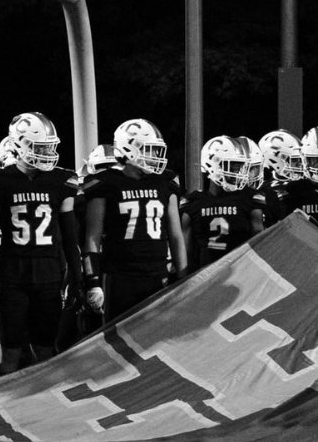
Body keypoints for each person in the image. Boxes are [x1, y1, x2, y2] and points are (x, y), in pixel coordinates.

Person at [0, 112, 81, 373]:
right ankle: (1, 396)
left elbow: (70, 238)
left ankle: (44, 398)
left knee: (45, 350)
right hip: (12, 275)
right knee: (9, 349)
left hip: (49, 275)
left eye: (48, 146)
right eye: (39, 146)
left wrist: (77, 278)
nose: (46, 152)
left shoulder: (62, 181)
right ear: (18, 144)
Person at [83, 118, 187, 322]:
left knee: (158, 334)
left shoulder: (165, 182)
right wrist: (92, 281)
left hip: (158, 274)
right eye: (150, 150)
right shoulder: (105, 182)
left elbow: (176, 235)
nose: (155, 156)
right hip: (120, 277)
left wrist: (184, 277)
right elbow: (92, 238)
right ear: (129, 149)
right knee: (116, 335)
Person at [182, 136, 265, 272]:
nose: (237, 172)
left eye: (239, 167)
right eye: (232, 166)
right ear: (213, 165)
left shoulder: (250, 198)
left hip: (241, 272)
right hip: (204, 275)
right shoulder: (193, 202)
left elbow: (260, 242)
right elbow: (186, 250)